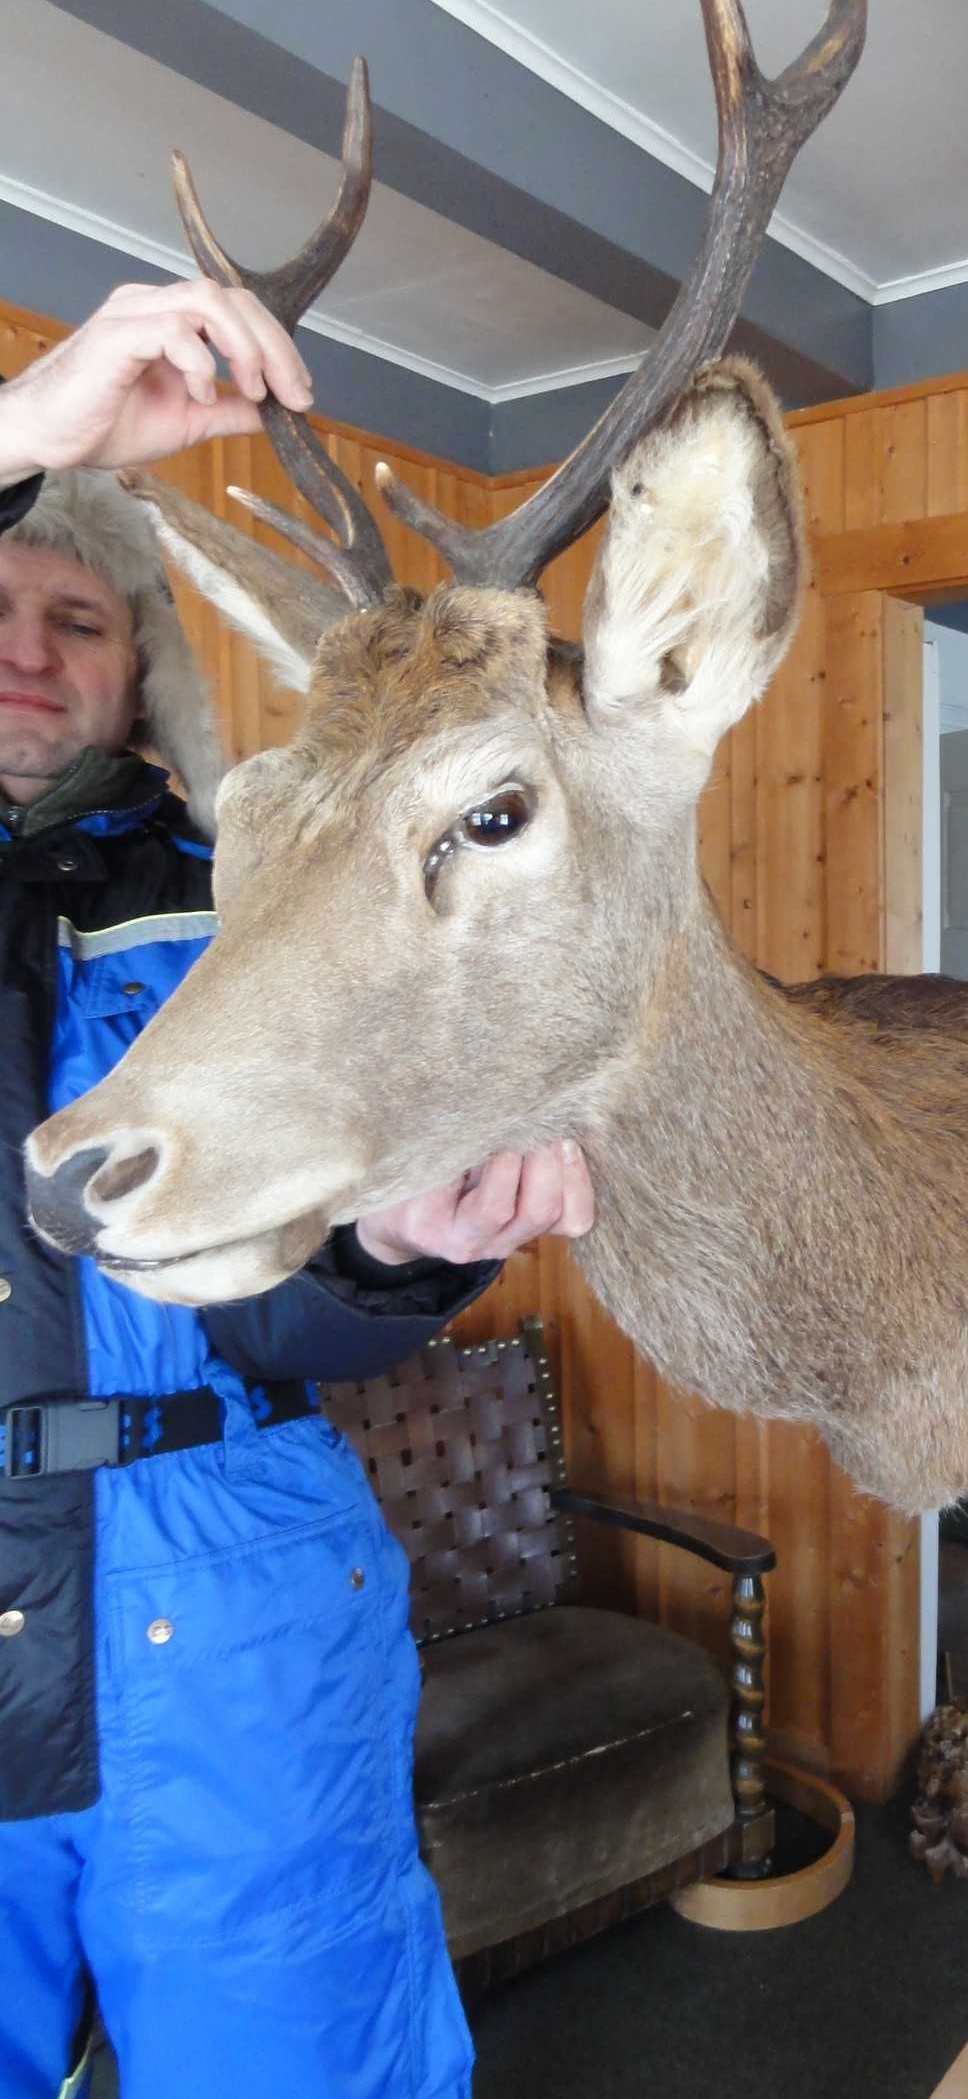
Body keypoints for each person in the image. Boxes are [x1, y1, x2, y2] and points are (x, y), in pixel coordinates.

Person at [0, 279, 595, 2099]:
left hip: (228, 1587)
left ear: (140, 657)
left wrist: (395, 1248)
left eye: (77, 616)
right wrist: (24, 438)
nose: (30, 650)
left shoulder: (246, 897)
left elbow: (279, 1301)